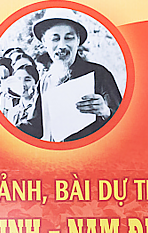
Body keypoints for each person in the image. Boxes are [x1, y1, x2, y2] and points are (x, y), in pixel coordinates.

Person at [20, 8, 122, 141]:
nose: (62, 45)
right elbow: (36, 125)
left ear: (78, 41)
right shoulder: (45, 80)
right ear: (45, 42)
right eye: (55, 39)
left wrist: (105, 112)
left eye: (69, 38)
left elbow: (123, 124)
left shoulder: (99, 75)